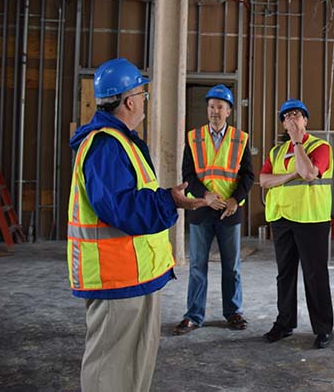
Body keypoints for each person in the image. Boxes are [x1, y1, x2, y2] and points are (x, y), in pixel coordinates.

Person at [67, 58, 205, 392]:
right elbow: (121, 207)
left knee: (132, 369)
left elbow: (128, 197)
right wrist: (168, 200)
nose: (144, 101)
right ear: (129, 101)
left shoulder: (121, 142)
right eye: (142, 94)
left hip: (134, 275)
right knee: (110, 371)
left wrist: (165, 198)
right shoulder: (105, 145)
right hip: (116, 279)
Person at [174, 84, 255, 335]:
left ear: (229, 111)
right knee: (198, 265)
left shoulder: (241, 139)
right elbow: (187, 173)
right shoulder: (193, 137)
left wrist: (234, 200)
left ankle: (233, 312)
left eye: (220, 107)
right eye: (211, 106)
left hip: (229, 212)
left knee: (232, 266)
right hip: (201, 210)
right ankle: (194, 315)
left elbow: (248, 176)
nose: (214, 111)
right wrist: (204, 195)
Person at [260, 99, 334, 349]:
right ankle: (285, 323)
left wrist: (297, 142)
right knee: (285, 274)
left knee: (315, 275)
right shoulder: (275, 152)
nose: (291, 119)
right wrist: (288, 175)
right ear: (282, 123)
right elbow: (263, 180)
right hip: (281, 218)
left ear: (305, 120)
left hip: (310, 218)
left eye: (296, 115)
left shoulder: (320, 147)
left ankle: (323, 328)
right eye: (286, 116)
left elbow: (308, 172)